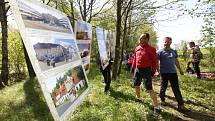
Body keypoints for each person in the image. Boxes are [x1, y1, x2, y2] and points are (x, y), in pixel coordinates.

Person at [131, 33, 161, 116]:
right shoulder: (137, 48)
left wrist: (154, 71)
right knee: (136, 84)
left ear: (147, 39)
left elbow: (154, 61)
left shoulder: (151, 49)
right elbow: (135, 58)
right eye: (140, 38)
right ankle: (138, 98)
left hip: (146, 70)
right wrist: (133, 67)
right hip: (137, 69)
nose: (141, 40)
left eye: (143, 38)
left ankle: (156, 107)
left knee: (149, 88)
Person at [157, 37, 189, 112]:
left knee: (176, 89)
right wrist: (157, 71)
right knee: (163, 87)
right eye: (165, 42)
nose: (166, 43)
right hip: (164, 73)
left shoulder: (174, 51)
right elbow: (156, 62)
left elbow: (176, 61)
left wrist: (180, 69)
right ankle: (162, 100)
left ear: (170, 43)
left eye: (168, 42)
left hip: (173, 73)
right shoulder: (159, 52)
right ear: (163, 42)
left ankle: (181, 105)